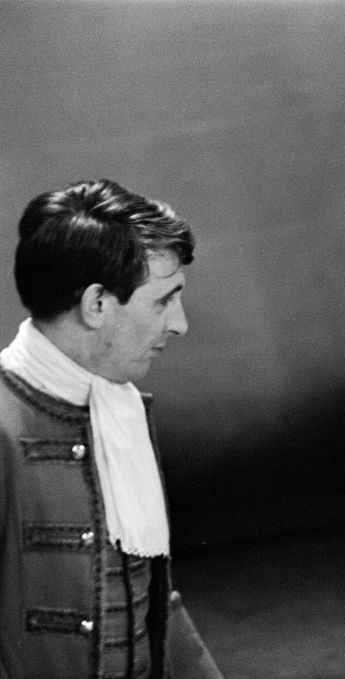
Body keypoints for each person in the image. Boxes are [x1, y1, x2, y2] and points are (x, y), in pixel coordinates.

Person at [0, 180, 222, 678]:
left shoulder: (118, 409)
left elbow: (150, 599)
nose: (180, 324)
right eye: (164, 300)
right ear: (96, 304)